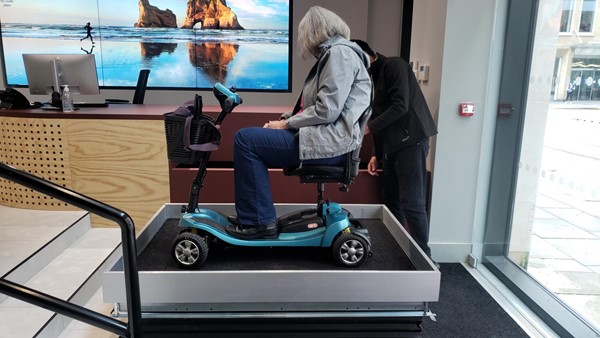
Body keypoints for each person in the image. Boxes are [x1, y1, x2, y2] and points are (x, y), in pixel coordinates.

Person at [226, 6, 372, 239]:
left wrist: (287, 125)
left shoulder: (339, 54)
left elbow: (327, 110)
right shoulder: (338, 53)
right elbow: (321, 107)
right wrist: (286, 119)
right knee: (251, 138)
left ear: (313, 33)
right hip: (329, 139)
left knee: (245, 140)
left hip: (330, 145)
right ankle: (256, 216)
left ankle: (257, 222)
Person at [352, 39, 438, 259]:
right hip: (391, 145)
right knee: (391, 202)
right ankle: (398, 251)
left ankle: (423, 257)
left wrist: (368, 128)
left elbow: (400, 105)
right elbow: (379, 114)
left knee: (412, 202)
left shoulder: (394, 65)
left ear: (364, 55)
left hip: (411, 141)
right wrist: (375, 154)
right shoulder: (369, 78)